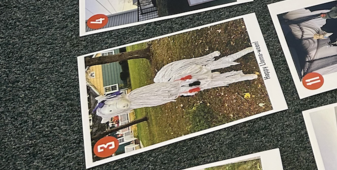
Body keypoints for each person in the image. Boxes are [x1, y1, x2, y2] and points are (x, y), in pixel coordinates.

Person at [92, 49, 260, 120]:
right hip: (179, 89)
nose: (116, 108)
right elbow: (158, 97)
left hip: (179, 81)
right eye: (113, 110)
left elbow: (159, 90)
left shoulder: (134, 96)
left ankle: (243, 53)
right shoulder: (136, 102)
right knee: (214, 81)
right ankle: (242, 76)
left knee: (208, 68)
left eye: (111, 107)